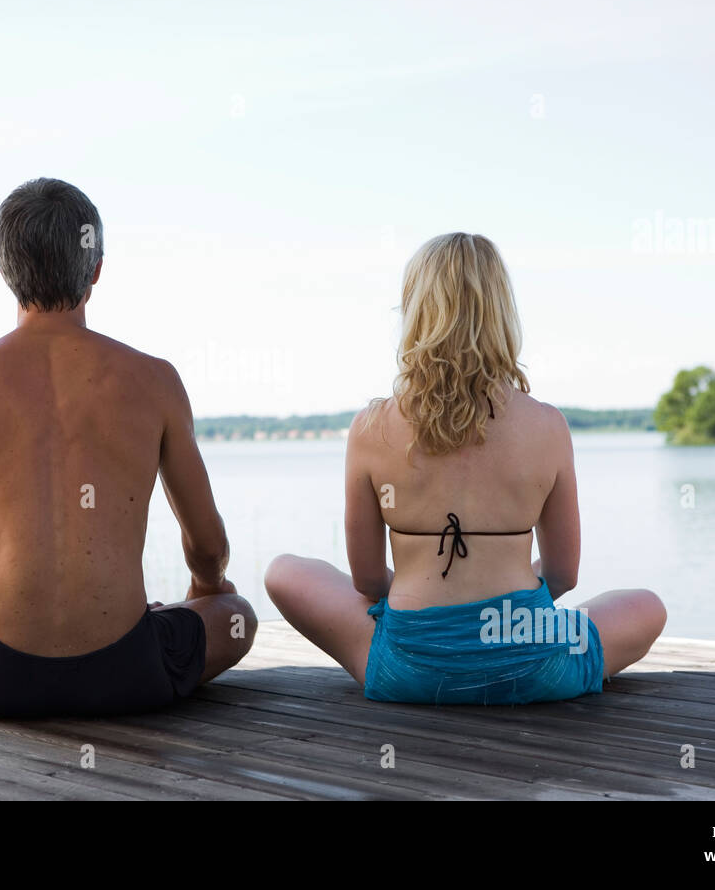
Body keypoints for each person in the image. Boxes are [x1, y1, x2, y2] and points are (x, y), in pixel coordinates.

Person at [0, 177, 256, 718]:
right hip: (132, 676)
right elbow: (207, 548)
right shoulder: (156, 381)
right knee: (238, 614)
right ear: (97, 268)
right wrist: (203, 595)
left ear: (5, 270)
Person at [265, 232, 665, 705]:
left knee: (283, 572)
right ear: (500, 312)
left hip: (409, 668)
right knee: (647, 606)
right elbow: (563, 575)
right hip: (532, 660)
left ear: (415, 312)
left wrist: (433, 616)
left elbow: (368, 582)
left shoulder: (370, 428)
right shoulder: (547, 425)